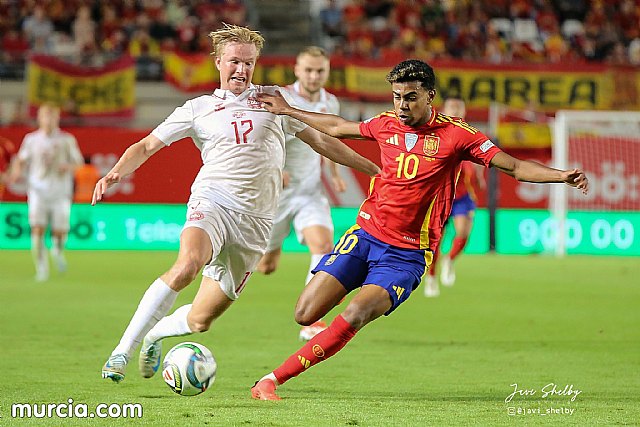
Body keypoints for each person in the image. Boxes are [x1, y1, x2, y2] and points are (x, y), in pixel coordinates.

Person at [250, 59, 589, 400]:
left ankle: (270, 381)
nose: (402, 105)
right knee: (304, 313)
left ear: (430, 96)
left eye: (410, 97)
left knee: (356, 312)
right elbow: (338, 127)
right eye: (397, 96)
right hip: (365, 236)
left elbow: (514, 166)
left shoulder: (457, 136)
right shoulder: (385, 124)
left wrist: (561, 175)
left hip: (407, 254)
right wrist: (288, 110)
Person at [93, 24, 379, 384]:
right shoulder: (198, 108)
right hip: (212, 202)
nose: (241, 70)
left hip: (256, 224)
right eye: (234, 62)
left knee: (200, 321)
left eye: (248, 63)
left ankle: (156, 334)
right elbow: (147, 145)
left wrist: (374, 169)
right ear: (218, 62)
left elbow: (323, 142)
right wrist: (116, 172)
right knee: (186, 266)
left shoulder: (275, 102)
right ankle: (121, 352)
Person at [256, 46, 346, 341]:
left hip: (310, 191)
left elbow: (328, 141)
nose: (314, 76)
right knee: (266, 266)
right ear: (296, 70)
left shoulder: (331, 102)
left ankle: (313, 319)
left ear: (327, 72)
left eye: (320, 71)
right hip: (278, 193)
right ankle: (272, 248)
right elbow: (267, 137)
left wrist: (333, 173)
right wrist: (276, 167)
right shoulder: (281, 98)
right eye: (308, 70)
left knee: (323, 245)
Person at [9, 103, 83, 281]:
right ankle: (41, 269)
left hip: (60, 191)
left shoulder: (66, 139)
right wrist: (16, 172)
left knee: (59, 231)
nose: (48, 120)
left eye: (52, 117)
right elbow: (20, 159)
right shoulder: (31, 139)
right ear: (39, 119)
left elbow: (78, 162)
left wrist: (68, 166)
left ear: (57, 118)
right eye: (45, 116)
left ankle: (57, 252)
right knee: (37, 228)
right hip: (38, 190)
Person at [424, 96, 486, 297]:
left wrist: (478, 176)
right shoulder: (435, 133)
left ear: (464, 112)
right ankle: (431, 278)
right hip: (440, 197)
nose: (456, 110)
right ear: (444, 110)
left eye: (459, 107)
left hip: (461, 196)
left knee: (463, 232)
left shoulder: (470, 135)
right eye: (452, 107)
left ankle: (449, 260)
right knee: (436, 242)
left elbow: (477, 159)